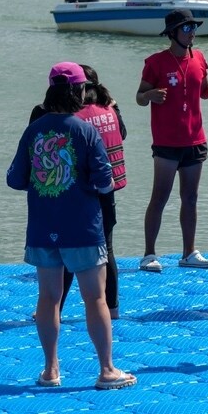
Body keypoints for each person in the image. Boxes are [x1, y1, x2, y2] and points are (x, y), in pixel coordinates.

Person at [7, 62, 136, 390]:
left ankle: (51, 370)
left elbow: (15, 179)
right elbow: (105, 180)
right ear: (79, 91)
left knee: (48, 297)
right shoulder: (85, 130)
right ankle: (106, 369)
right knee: (95, 298)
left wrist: (44, 183)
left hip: (42, 225)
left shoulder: (33, 130)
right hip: (82, 226)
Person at [136, 8, 208, 272]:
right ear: (172, 33)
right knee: (160, 197)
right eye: (186, 28)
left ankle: (189, 252)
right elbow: (139, 97)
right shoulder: (155, 62)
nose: (192, 33)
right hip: (166, 143)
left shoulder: (199, 58)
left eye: (193, 28)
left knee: (190, 198)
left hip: (195, 140)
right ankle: (148, 255)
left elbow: (204, 92)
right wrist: (151, 94)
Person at [31, 65, 127, 320]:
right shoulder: (110, 109)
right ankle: (113, 308)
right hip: (107, 194)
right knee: (107, 250)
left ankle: (54, 308)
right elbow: (122, 135)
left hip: (77, 196)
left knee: (66, 252)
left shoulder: (76, 120)